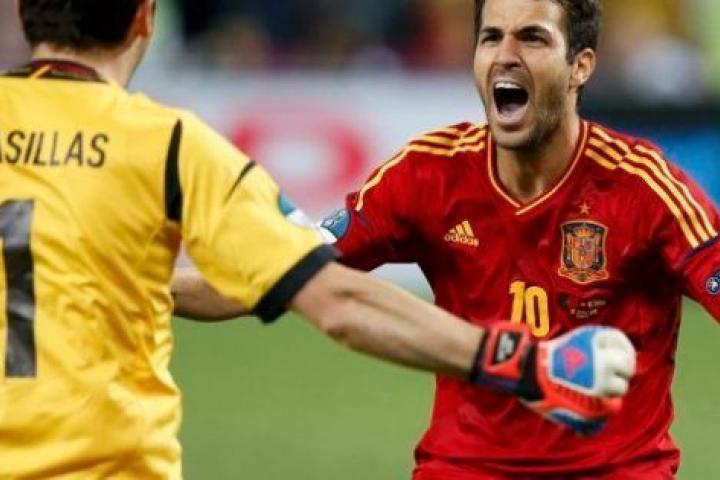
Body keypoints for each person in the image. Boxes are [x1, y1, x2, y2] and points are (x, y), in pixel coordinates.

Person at [0, 0, 635, 478]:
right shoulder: (172, 146)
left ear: (26, 14)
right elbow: (337, 300)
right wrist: (528, 365)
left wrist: (99, 276)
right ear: (145, 18)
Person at [174, 0, 720, 478]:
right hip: (466, 469)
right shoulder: (428, 174)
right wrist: (146, 284)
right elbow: (276, 272)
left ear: (580, 66)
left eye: (532, 38)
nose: (506, 55)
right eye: (491, 37)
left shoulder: (645, 188)